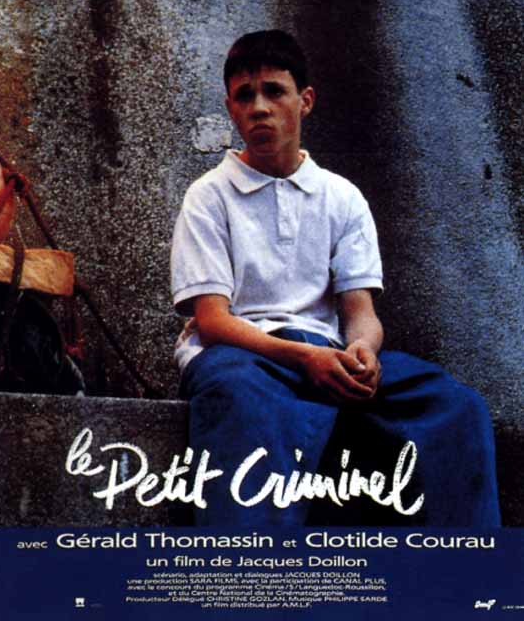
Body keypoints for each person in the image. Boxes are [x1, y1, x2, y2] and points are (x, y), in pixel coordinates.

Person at [170, 30, 500, 526]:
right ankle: (248, 566)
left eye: (274, 91)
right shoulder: (209, 195)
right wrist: (305, 358)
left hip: (327, 353)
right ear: (230, 108)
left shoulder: (341, 197)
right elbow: (213, 322)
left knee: (456, 406)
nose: (259, 108)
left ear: (305, 101)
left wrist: (362, 352)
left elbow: (360, 312)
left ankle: (463, 567)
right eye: (244, 96)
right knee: (239, 398)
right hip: (245, 355)